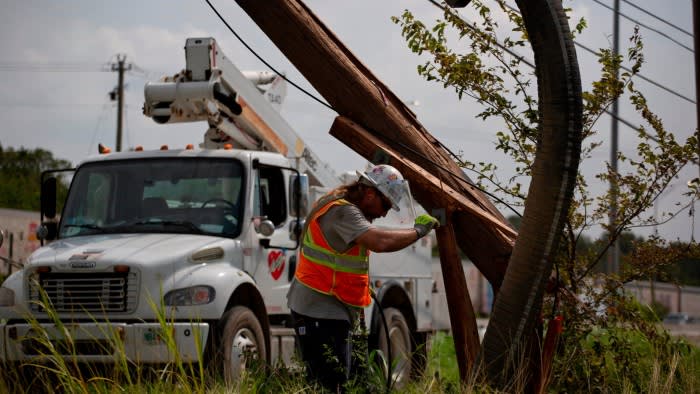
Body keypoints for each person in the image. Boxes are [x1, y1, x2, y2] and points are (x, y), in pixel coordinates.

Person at [286, 164, 439, 392]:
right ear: (369, 194)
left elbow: (343, 262)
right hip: (319, 308)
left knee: (344, 382)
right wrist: (417, 232)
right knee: (332, 383)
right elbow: (380, 242)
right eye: (386, 204)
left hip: (328, 306)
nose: (385, 213)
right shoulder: (343, 211)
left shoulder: (337, 201)